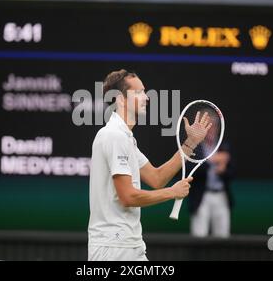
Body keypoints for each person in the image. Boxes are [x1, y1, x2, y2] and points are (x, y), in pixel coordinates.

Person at [88, 69, 212, 261]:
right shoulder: (114, 136)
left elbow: (156, 178)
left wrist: (190, 144)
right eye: (138, 92)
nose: (146, 97)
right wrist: (173, 192)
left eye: (144, 91)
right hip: (113, 248)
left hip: (130, 245)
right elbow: (128, 197)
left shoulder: (125, 138)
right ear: (121, 100)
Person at [188, 140, 235, 238]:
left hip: (221, 195)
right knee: (199, 234)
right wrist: (211, 160)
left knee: (223, 235)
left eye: (214, 126)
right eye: (209, 126)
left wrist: (223, 171)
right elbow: (191, 170)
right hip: (201, 196)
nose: (211, 130)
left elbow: (232, 173)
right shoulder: (195, 148)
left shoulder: (224, 146)